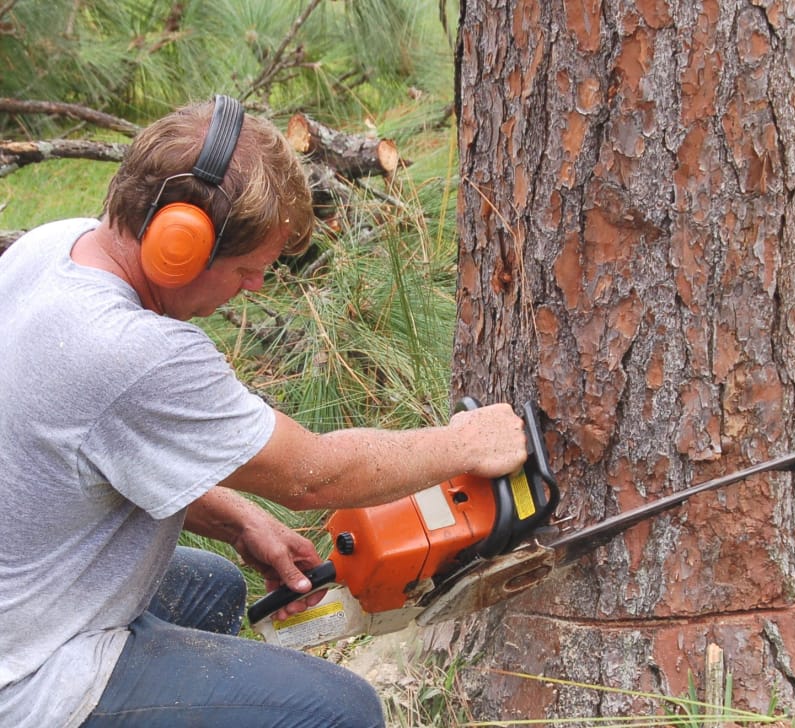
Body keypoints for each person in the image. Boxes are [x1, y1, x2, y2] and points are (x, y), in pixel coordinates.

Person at [0, 96, 527, 727]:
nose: (253, 288)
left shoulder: (53, 248)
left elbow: (88, 449)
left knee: (216, 586)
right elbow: (315, 476)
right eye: (249, 270)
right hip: (27, 674)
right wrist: (466, 443)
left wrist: (237, 519)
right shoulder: (133, 350)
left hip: (21, 599)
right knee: (343, 711)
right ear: (179, 248)